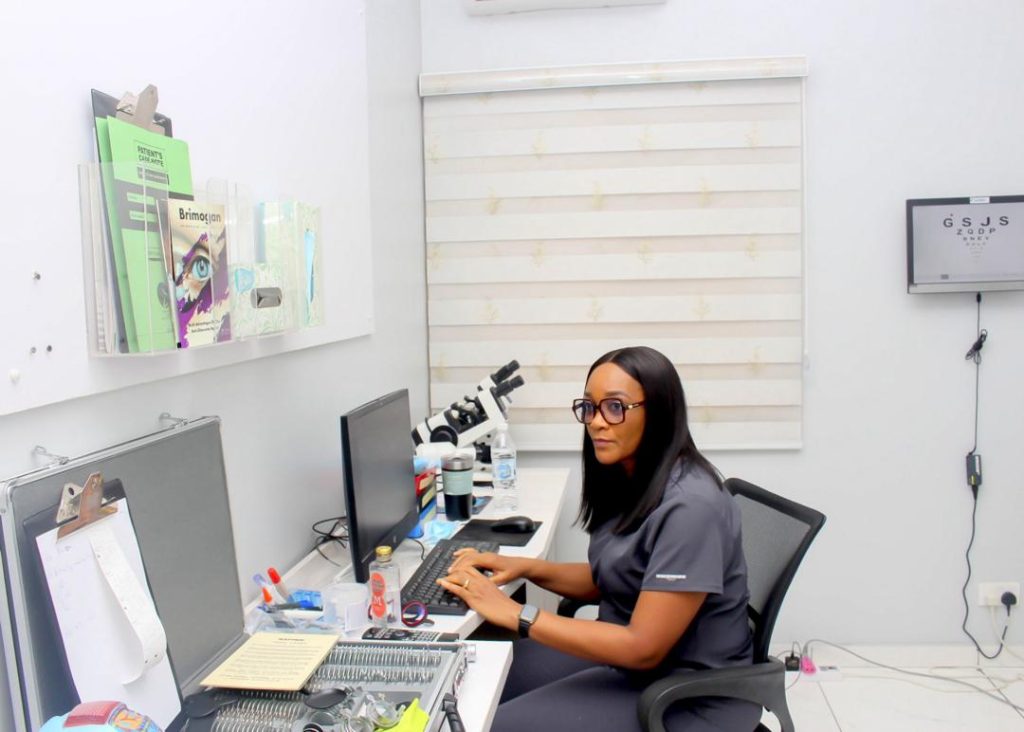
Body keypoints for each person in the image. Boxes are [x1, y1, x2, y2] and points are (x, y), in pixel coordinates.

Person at [438, 346, 760, 731]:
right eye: (589, 407)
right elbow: (614, 576)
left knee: (490, 723)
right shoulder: (636, 477)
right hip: (629, 663)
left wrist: (517, 614)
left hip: (684, 695)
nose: (596, 422)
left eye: (615, 407)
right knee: (476, 681)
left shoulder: (692, 507)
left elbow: (644, 647)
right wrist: (524, 567)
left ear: (657, 412)